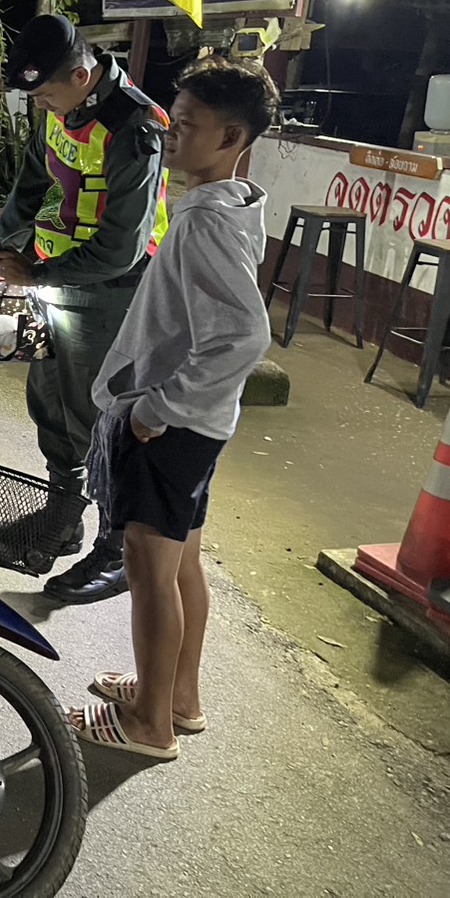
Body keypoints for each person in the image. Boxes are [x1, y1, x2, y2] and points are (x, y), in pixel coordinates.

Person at [67, 56, 278, 760]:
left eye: (185, 125)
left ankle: (148, 725)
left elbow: (243, 336)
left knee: (148, 568)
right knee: (182, 561)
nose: (169, 134)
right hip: (200, 425)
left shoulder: (203, 224)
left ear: (230, 138)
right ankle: (177, 698)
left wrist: (156, 408)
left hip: (173, 426)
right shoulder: (231, 206)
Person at [0, 14, 170, 604]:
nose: (40, 105)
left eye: (45, 94)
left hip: (113, 293)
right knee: (51, 400)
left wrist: (39, 273)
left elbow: (121, 247)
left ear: (80, 75)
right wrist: (2, 244)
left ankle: (116, 550)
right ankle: (62, 518)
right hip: (57, 281)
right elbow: (33, 182)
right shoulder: (58, 109)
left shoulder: (135, 126)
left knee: (104, 419)